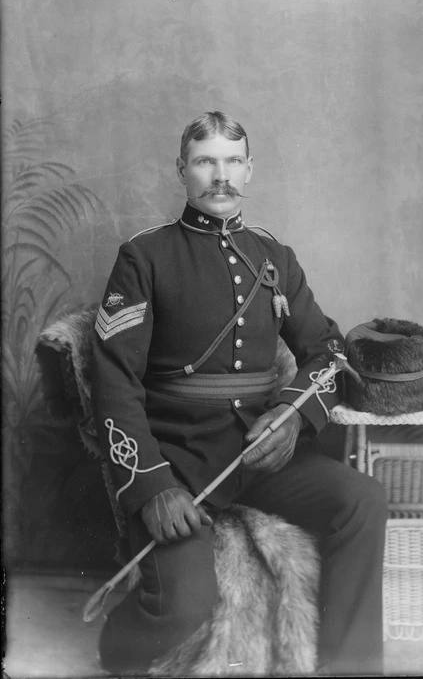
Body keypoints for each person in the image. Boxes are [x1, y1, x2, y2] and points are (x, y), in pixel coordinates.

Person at [91, 111, 387, 676]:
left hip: (259, 456)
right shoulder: (144, 257)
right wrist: (152, 486)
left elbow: (327, 353)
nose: (219, 175)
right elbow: (113, 382)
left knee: (362, 501)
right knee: (183, 605)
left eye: (232, 162)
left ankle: (351, 668)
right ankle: (116, 650)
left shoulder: (276, 256)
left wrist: (292, 416)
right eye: (205, 161)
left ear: (249, 171)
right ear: (183, 171)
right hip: (176, 461)